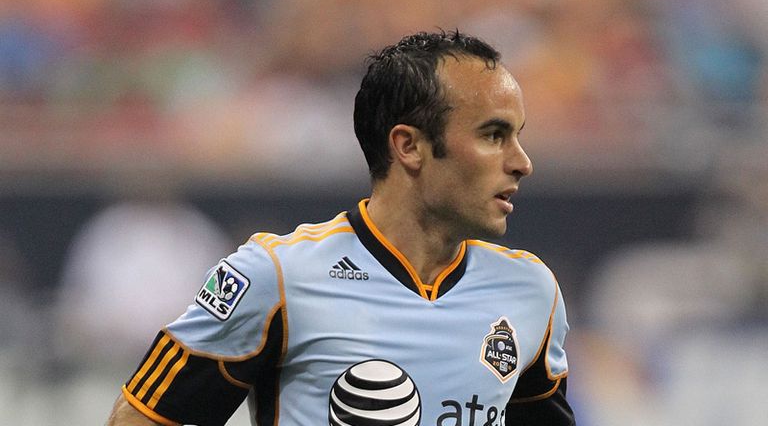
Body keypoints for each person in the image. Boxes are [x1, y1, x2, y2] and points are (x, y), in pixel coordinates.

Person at [107, 30, 574, 426]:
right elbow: (141, 417)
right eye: (493, 135)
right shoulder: (276, 276)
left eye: (517, 136)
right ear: (409, 146)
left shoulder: (531, 292)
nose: (522, 162)